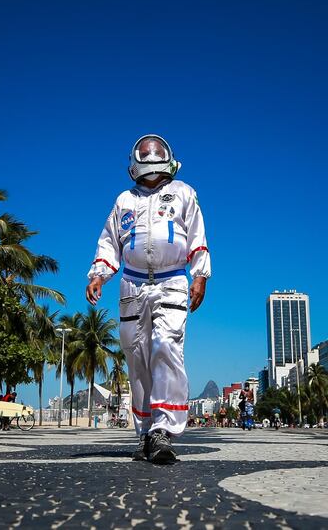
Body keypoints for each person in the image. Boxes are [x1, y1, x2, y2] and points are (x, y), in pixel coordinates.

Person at [86, 134, 211, 464]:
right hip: (132, 284)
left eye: (155, 151)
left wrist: (200, 275)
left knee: (165, 347)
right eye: (145, 152)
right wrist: (99, 274)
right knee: (137, 356)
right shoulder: (124, 201)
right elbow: (110, 242)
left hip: (172, 280)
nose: (150, 155)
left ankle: (163, 429)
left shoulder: (183, 193)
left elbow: (197, 237)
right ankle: (144, 432)